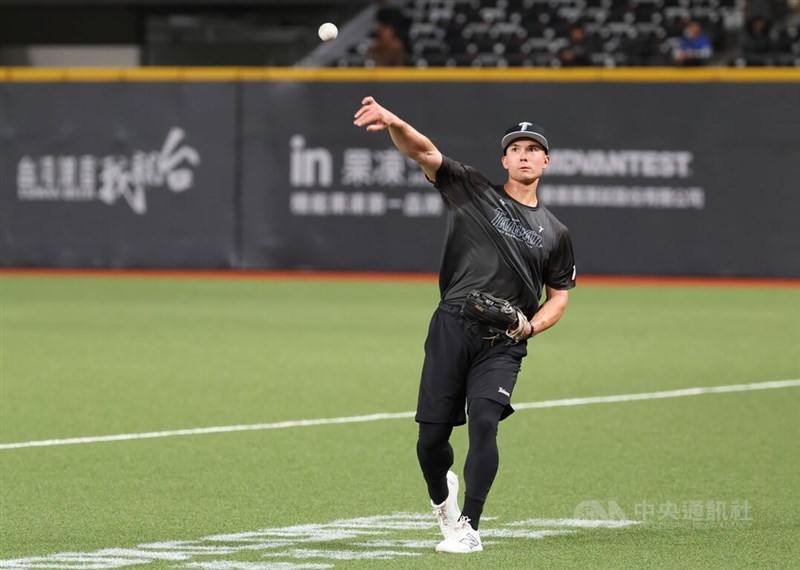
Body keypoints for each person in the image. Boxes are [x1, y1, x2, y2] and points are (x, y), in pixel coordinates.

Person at [353, 97, 576, 554]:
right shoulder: (473, 190)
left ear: (546, 162)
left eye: (533, 149)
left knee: (485, 423)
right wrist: (394, 120)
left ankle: (470, 526)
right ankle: (443, 501)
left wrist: (529, 328)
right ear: (504, 160)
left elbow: (558, 298)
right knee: (431, 440)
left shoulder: (556, 232)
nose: (525, 155)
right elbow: (423, 152)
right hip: (452, 326)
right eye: (516, 149)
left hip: (504, 340)